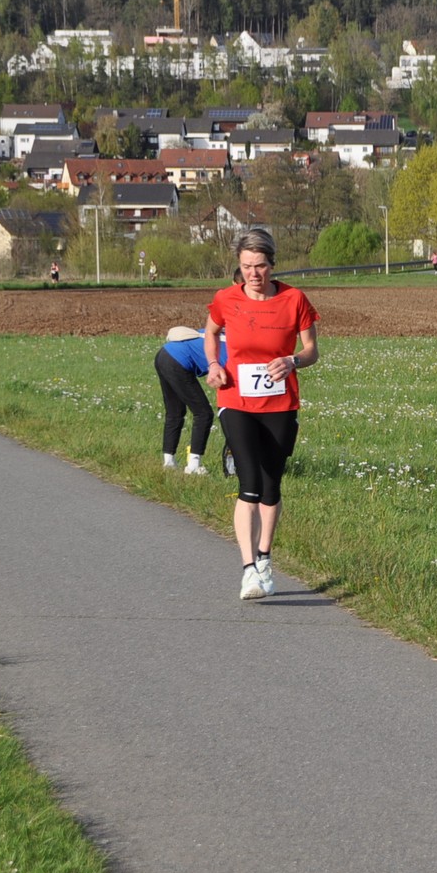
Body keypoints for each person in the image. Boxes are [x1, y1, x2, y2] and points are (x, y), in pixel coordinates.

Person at [202, 228, 320, 601]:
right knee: (249, 482)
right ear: (239, 266)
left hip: (280, 404)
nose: (253, 273)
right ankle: (248, 569)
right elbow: (211, 333)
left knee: (271, 485)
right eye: (246, 266)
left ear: (272, 264)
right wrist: (213, 365)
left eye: (260, 265)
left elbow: (312, 350)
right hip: (235, 399)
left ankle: (265, 557)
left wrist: (292, 360)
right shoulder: (225, 299)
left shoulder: (294, 299)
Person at [155, 325, 218, 474]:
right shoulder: (233, 348)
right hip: (178, 361)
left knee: (174, 412)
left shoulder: (219, 333)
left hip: (164, 354)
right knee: (204, 414)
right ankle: (193, 466)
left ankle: (169, 462)